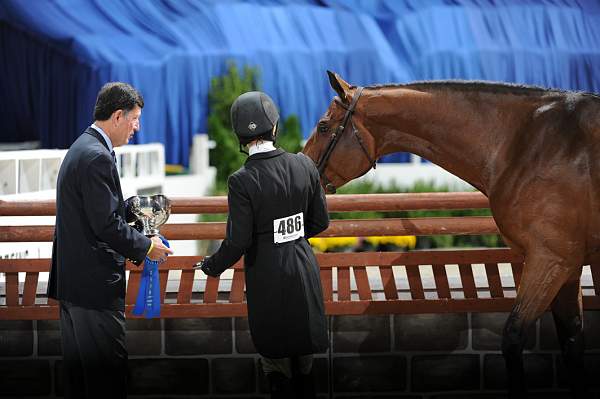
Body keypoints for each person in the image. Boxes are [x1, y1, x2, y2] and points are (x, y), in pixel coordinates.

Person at [195, 91, 330, 398]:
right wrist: (291, 235)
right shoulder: (304, 166)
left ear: (239, 135)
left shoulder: (241, 180)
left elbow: (238, 241)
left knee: (276, 366)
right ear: (274, 126)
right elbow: (320, 222)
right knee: (305, 363)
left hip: (268, 278)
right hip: (302, 270)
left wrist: (210, 266)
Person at [48, 82, 173, 399]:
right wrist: (147, 247)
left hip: (74, 287)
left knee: (83, 384)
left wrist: (128, 210)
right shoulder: (97, 157)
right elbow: (105, 225)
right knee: (108, 383)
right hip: (95, 290)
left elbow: (96, 216)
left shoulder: (83, 147)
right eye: (135, 119)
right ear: (118, 116)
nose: (137, 127)